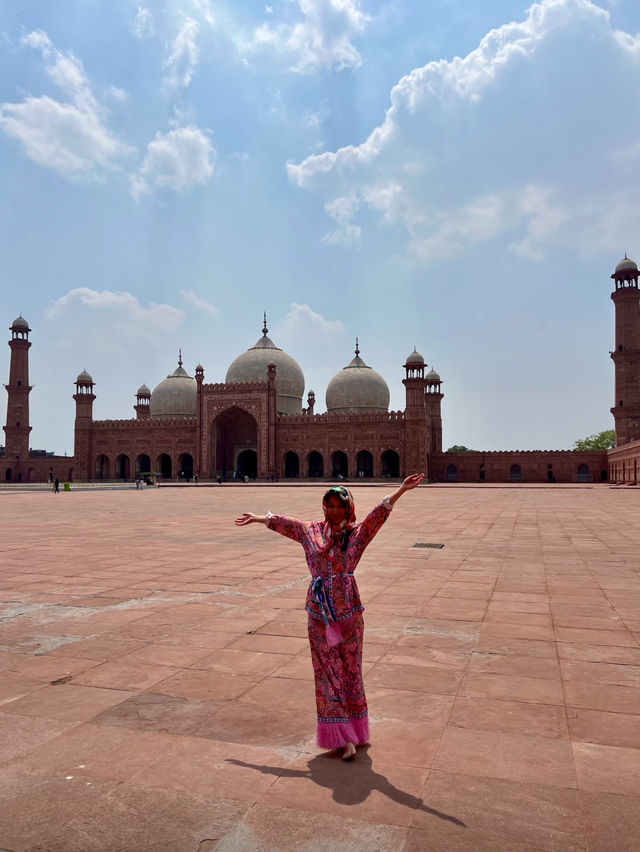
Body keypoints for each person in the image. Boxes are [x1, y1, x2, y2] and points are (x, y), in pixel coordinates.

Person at [235, 472, 424, 760]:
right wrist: (259, 518)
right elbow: (285, 524)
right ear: (325, 507)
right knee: (327, 673)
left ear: (348, 508)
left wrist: (401, 490)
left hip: (348, 610)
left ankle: (354, 729)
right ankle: (343, 736)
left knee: (350, 671)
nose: (335, 511)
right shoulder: (310, 531)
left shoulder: (355, 535)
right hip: (320, 611)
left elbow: (378, 516)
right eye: (331, 505)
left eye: (340, 506)